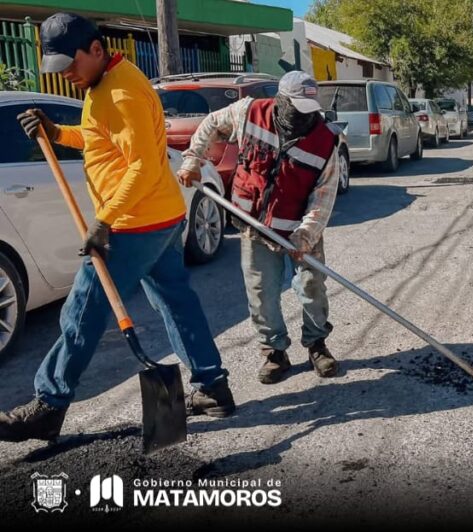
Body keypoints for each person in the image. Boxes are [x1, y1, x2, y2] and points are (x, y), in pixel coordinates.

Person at [0, 12, 234, 443]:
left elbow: (143, 166)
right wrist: (56, 132)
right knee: (177, 303)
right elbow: (98, 138)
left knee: (82, 312)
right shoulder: (103, 83)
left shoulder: (121, 92)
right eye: (58, 69)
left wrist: (105, 221)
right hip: (160, 217)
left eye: (71, 65)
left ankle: (48, 405)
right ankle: (212, 386)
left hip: (133, 223)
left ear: (95, 49)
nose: (67, 75)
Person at [177, 71, 341, 384]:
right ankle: (274, 352)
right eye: (296, 108)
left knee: (311, 287)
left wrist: (305, 235)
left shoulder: (325, 140)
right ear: (280, 101)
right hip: (254, 225)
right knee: (262, 293)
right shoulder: (248, 112)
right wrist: (193, 159)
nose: (303, 117)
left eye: (309, 109)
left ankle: (317, 344)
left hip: (300, 228)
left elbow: (324, 195)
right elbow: (211, 123)